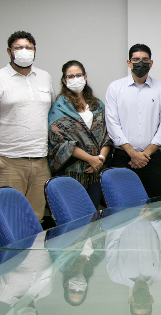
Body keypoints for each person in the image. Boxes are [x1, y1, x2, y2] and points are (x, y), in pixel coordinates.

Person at [0, 31, 55, 221]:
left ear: (35, 51)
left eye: (28, 47)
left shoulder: (45, 77)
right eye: (18, 48)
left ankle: (35, 252)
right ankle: (12, 252)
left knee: (36, 218)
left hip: (41, 159)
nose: (24, 51)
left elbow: (53, 114)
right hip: (10, 161)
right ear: (9, 51)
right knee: (11, 218)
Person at [105, 44, 161, 199]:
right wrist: (132, 153)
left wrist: (144, 154)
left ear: (151, 63)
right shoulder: (115, 88)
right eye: (136, 60)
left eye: (145, 59)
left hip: (153, 160)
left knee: (153, 210)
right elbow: (112, 123)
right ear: (129, 63)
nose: (140, 63)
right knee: (122, 210)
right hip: (123, 158)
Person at [48, 60, 112, 208]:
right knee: (75, 218)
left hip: (96, 170)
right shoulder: (59, 107)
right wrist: (91, 159)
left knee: (93, 215)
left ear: (85, 77)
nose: (75, 79)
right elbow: (59, 141)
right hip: (70, 173)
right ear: (64, 80)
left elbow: (107, 134)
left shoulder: (97, 104)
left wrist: (100, 159)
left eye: (78, 75)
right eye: (70, 77)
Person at [106, 204, 161, 315]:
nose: (141, 302)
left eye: (137, 305)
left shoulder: (115, 275)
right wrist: (150, 216)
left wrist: (128, 215)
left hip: (123, 210)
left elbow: (111, 241)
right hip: (152, 208)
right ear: (151, 300)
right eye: (145, 305)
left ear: (130, 301)